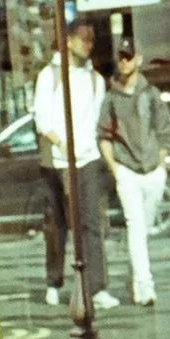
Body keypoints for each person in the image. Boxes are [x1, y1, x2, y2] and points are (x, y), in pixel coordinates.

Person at [32, 16, 119, 311]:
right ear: (68, 39)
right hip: (58, 161)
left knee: (92, 223)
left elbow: (98, 119)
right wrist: (60, 142)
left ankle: (96, 287)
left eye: (92, 39)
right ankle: (54, 281)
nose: (88, 44)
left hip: (89, 157)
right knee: (57, 225)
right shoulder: (49, 75)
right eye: (83, 38)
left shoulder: (95, 80)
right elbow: (41, 117)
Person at [98, 40, 170, 307]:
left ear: (138, 59)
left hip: (152, 170)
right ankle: (144, 286)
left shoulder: (151, 94)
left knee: (144, 229)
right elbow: (104, 136)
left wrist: (161, 166)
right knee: (136, 226)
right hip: (127, 170)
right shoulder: (111, 98)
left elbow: (164, 131)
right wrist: (116, 169)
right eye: (121, 57)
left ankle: (137, 274)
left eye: (128, 57)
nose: (124, 62)